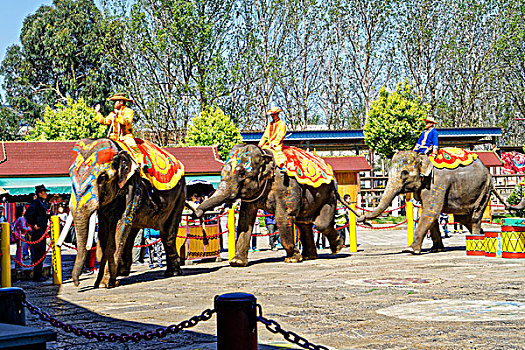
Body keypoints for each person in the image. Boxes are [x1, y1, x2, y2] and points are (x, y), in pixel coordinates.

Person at [94, 93, 148, 171]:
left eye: (115, 102)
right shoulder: (112, 113)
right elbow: (105, 121)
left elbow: (126, 122)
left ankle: (142, 162)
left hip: (126, 137)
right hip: (114, 137)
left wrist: (118, 114)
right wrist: (98, 113)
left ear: (121, 102)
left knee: (133, 146)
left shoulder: (129, 112)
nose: (113, 104)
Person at [25, 184, 51, 282]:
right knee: (38, 254)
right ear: (40, 193)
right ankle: (37, 275)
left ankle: (39, 274)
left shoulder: (43, 203)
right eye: (44, 192)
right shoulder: (36, 202)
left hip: (43, 231)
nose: (46, 194)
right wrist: (33, 224)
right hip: (38, 232)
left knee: (41, 253)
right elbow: (28, 214)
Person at [258, 107, 287, 172]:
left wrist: (274, 143)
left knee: (278, 154)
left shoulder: (282, 124)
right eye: (272, 114)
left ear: (278, 114)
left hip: (277, 145)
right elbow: (265, 136)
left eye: (274, 114)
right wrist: (260, 144)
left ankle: (283, 166)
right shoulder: (270, 124)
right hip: (268, 145)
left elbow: (280, 135)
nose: (272, 116)